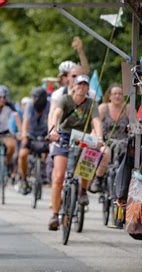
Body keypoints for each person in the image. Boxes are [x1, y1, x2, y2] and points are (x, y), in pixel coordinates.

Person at [47, 75, 104, 230]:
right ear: (74, 86)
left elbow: (96, 121)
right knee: (59, 177)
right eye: (79, 84)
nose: (82, 88)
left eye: (85, 85)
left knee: (90, 157)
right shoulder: (65, 99)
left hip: (83, 136)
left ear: (88, 89)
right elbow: (56, 114)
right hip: (64, 135)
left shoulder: (91, 103)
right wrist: (53, 130)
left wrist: (99, 138)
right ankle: (55, 213)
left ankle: (83, 190)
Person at [89, 83, 128, 193]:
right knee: (105, 153)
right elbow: (94, 125)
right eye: (114, 93)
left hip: (123, 142)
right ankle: (98, 179)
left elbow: (134, 124)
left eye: (120, 94)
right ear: (109, 96)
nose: (117, 96)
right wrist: (97, 138)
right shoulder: (103, 108)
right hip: (105, 141)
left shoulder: (128, 108)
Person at [18, 88, 49, 194]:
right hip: (31, 134)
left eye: (35, 97)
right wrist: (24, 136)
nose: (33, 99)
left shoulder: (49, 105)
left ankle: (44, 170)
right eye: (32, 97)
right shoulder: (30, 105)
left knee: (51, 153)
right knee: (22, 155)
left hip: (45, 134)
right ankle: (24, 179)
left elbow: (52, 120)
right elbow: (25, 121)